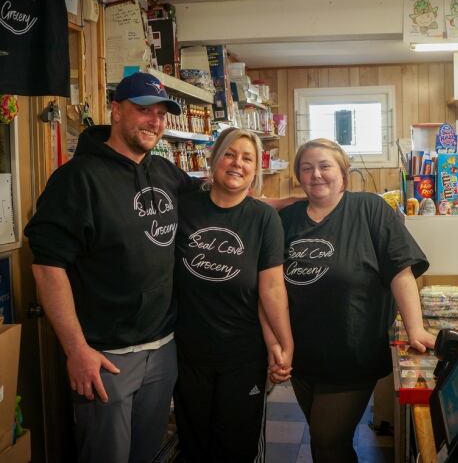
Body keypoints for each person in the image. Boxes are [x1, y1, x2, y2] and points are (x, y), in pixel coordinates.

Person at [24, 72, 203, 463]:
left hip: (163, 347)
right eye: (143, 110)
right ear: (117, 111)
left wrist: (294, 204)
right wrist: (76, 349)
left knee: (145, 454)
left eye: (161, 114)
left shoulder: (165, 172)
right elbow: (47, 268)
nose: (154, 121)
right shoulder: (77, 179)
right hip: (106, 356)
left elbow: (217, 205)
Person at [279, 138, 435, 463]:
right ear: (298, 176)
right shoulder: (287, 218)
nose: (316, 175)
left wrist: (415, 328)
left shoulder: (369, 209)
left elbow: (400, 272)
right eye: (306, 168)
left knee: (325, 441)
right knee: (332, 445)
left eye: (325, 166)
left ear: (343, 174)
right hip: (302, 358)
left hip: (353, 353)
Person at [173, 127, 294, 462]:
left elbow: (271, 287)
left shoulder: (263, 218)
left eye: (247, 158)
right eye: (229, 154)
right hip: (188, 354)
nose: (237, 163)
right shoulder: (184, 208)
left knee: (236, 447)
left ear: (255, 169)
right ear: (214, 160)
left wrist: (284, 343)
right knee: (194, 444)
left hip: (242, 355)